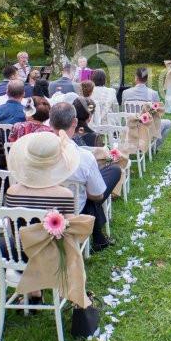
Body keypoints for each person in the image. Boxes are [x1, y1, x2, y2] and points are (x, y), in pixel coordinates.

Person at [49, 103, 120, 251]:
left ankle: (100, 239)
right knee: (113, 172)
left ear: (50, 123)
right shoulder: (84, 157)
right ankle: (99, 239)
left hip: (45, 207)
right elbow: (98, 195)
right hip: (75, 209)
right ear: (74, 122)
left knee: (90, 189)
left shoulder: (38, 152)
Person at [5, 131, 77, 214]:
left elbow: (9, 221)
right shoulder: (64, 195)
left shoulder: (12, 192)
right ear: (56, 163)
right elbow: (70, 222)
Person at [122, 67, 171, 150]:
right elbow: (157, 114)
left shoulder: (125, 92)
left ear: (136, 77)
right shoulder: (153, 93)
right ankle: (154, 147)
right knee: (169, 123)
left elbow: (123, 110)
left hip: (130, 126)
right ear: (146, 79)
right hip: (147, 128)